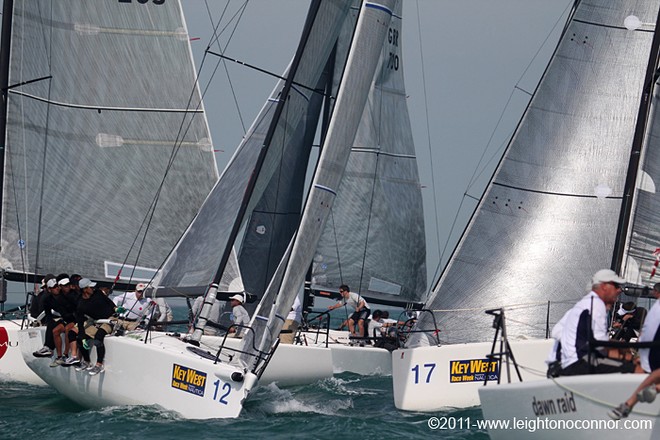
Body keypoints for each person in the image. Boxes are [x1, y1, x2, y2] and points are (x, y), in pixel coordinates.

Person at [552, 269, 635, 376]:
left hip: (565, 362)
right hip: (576, 364)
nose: (619, 290)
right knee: (635, 369)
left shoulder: (584, 305)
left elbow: (556, 331)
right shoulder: (595, 305)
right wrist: (626, 356)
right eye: (616, 286)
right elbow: (600, 347)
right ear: (604, 287)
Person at [75, 278, 121, 375]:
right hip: (96, 321)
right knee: (79, 339)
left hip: (110, 319)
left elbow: (108, 301)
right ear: (85, 289)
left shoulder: (98, 293)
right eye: (91, 287)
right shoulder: (80, 303)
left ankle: (99, 364)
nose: (93, 288)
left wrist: (116, 309)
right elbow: (80, 323)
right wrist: (83, 338)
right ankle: (87, 361)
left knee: (98, 337)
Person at [637, 283, 660, 375]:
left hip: (650, 361)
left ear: (656, 292)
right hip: (647, 358)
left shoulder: (657, 308)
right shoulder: (657, 306)